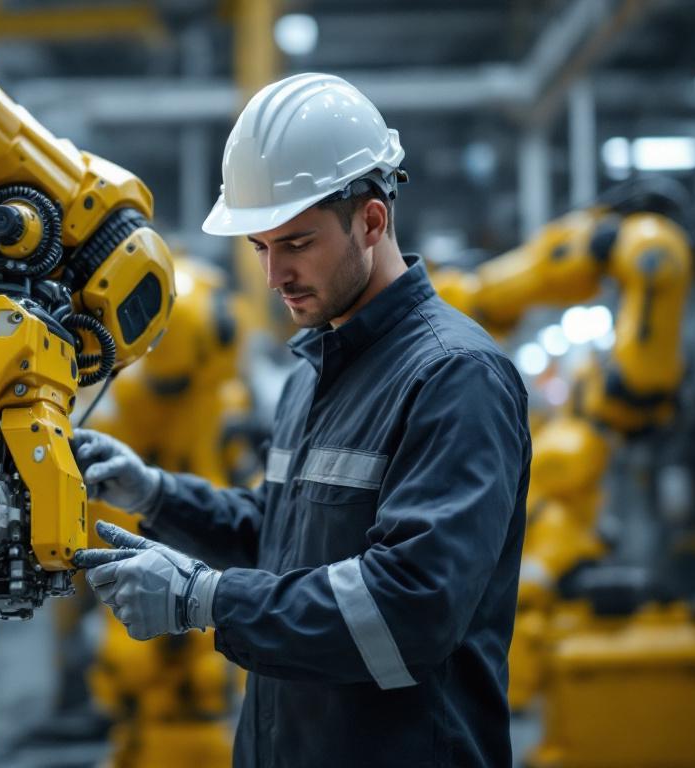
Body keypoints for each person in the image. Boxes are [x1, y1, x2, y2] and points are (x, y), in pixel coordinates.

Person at [72, 73, 532, 767]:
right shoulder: (312, 372)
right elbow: (282, 539)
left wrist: (206, 601)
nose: (273, 275)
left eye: (295, 243)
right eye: (261, 248)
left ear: (371, 221)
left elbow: (411, 607)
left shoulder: (454, 377)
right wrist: (156, 495)